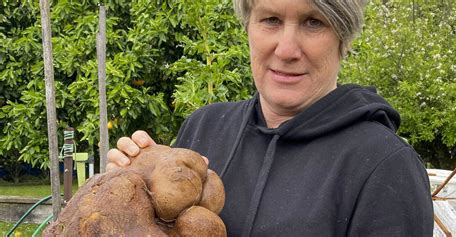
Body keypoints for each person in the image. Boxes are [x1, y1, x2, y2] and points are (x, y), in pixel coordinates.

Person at [107, 0, 434, 236]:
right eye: (271, 20)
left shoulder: (386, 166)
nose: (287, 49)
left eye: (313, 22)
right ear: (248, 26)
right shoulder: (204, 126)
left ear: (343, 39)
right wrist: (125, 195)